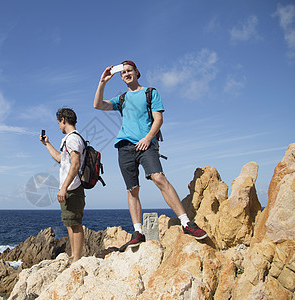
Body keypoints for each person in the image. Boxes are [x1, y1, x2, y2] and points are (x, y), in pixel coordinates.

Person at [93, 60, 207, 250]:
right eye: (124, 73)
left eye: (130, 71)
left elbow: (158, 119)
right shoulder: (121, 99)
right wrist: (102, 81)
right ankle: (138, 232)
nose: (127, 74)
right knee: (132, 189)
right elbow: (97, 105)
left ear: (137, 72)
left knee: (159, 177)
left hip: (146, 145)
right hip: (124, 147)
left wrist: (148, 138)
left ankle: (186, 223)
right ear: (121, 77)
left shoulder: (150, 93)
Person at [39, 108, 86, 262]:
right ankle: (74, 256)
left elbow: (75, 164)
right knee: (70, 223)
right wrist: (47, 144)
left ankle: (77, 260)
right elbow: (61, 159)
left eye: (59, 122)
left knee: (75, 224)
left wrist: (64, 187)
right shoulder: (69, 139)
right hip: (70, 187)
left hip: (72, 187)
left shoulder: (72, 139)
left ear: (63, 120)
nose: (59, 125)